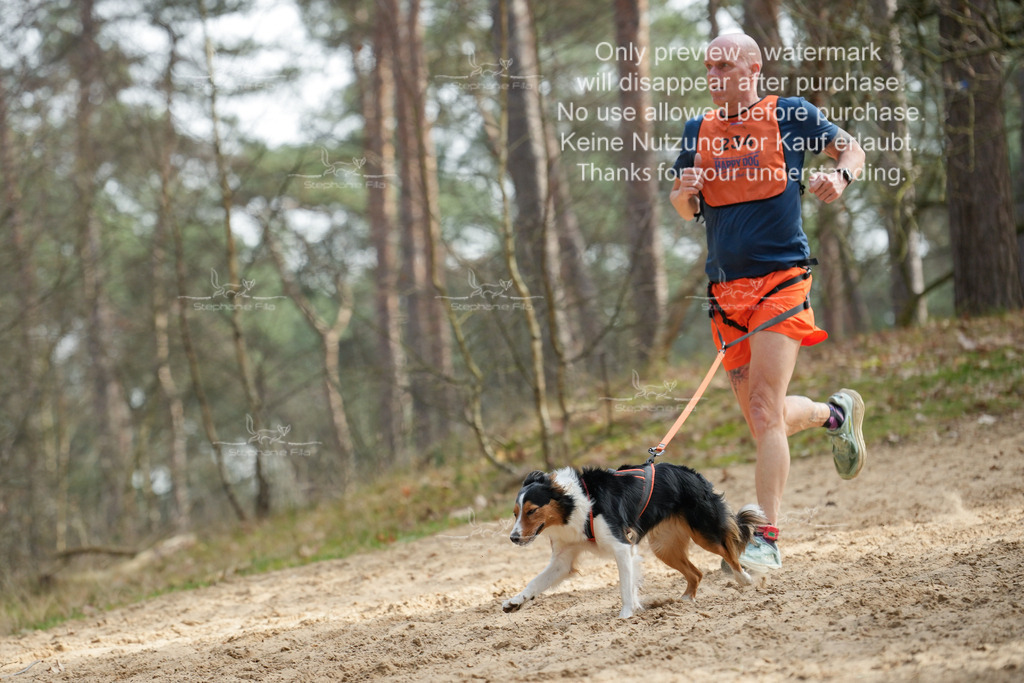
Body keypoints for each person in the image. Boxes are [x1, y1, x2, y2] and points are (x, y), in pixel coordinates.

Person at [668, 33, 867, 571]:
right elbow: (684, 208)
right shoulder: (697, 130)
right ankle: (835, 415)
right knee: (766, 419)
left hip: (781, 282)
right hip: (726, 295)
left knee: (763, 408)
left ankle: (767, 540)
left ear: (753, 68)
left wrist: (840, 176)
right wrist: (684, 193)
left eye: (725, 65)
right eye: (708, 67)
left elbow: (853, 149)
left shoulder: (789, 114)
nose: (714, 75)